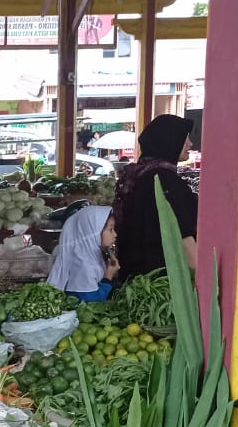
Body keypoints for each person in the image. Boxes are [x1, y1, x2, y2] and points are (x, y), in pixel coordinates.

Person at [112, 114, 197, 279]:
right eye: (184, 138)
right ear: (169, 140)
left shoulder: (139, 176)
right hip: (163, 279)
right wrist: (201, 281)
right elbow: (184, 240)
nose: (190, 144)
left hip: (135, 277)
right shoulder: (167, 181)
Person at [48, 206, 119, 302]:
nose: (115, 234)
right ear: (93, 232)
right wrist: (108, 277)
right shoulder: (83, 264)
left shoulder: (90, 256)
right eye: (110, 229)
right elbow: (93, 302)